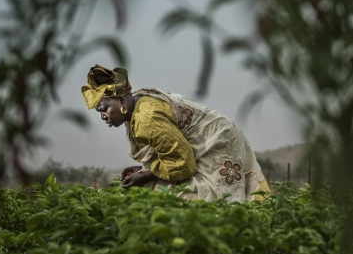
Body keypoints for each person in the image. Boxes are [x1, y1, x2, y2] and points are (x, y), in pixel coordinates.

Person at [81, 64, 270, 202]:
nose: (103, 116)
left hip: (216, 142)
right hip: (215, 134)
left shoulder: (146, 119)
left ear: (122, 102)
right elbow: (171, 149)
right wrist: (144, 170)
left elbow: (183, 164)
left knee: (215, 198)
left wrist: (146, 175)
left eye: (103, 109)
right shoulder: (139, 105)